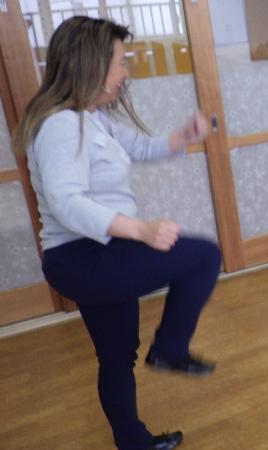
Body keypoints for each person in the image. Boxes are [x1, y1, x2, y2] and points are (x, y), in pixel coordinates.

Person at [13, 17, 220, 450]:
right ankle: (170, 349)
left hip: (95, 255)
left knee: (116, 355)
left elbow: (140, 147)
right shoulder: (60, 125)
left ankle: (133, 442)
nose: (125, 72)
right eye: (121, 63)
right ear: (92, 65)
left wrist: (183, 135)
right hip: (84, 256)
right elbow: (68, 203)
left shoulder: (91, 118)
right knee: (203, 256)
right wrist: (141, 230)